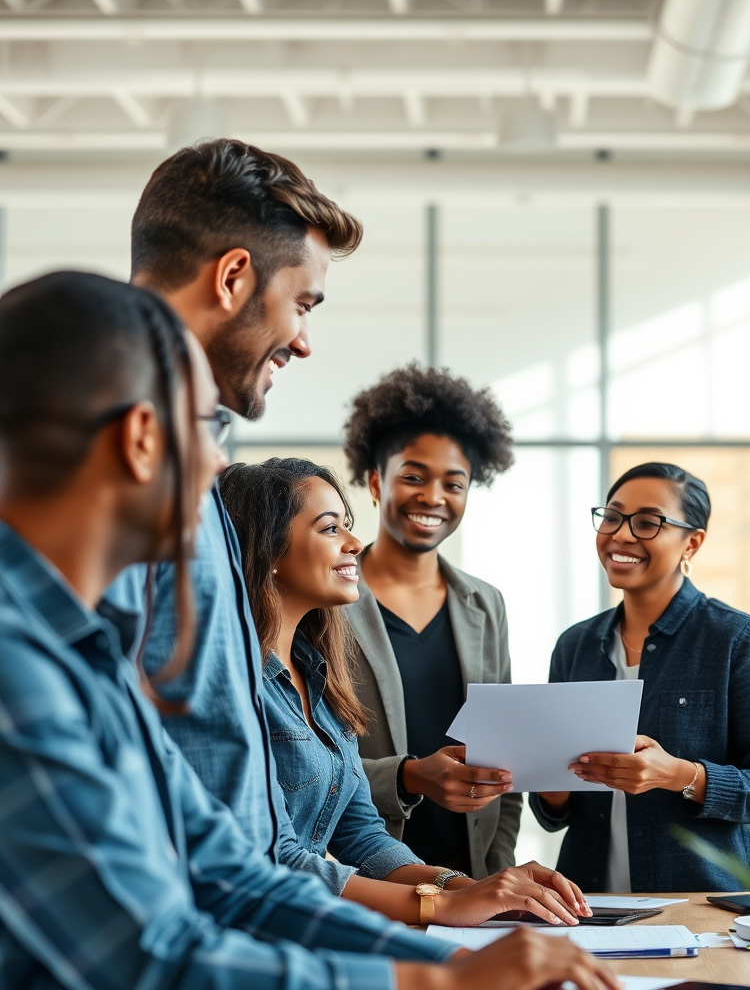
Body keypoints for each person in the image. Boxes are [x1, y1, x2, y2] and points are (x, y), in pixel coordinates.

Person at [0, 271, 620, 990]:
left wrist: (453, 956)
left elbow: (235, 876)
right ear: (143, 438)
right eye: (210, 426)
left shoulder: (94, 656)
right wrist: (440, 979)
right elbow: (150, 957)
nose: (219, 464)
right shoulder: (22, 667)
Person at [105, 138, 373, 893]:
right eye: (302, 304)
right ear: (232, 277)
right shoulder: (122, 477)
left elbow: (232, 841)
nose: (305, 342)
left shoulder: (201, 474)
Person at [219, 456, 590, 926]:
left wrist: (480, 888)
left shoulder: (321, 678)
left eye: (347, 526)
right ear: (266, 548)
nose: (355, 543)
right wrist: (447, 905)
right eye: (331, 528)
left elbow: (363, 837)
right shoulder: (234, 684)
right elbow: (278, 858)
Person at [530, 462, 750, 893]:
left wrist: (678, 774)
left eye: (647, 523)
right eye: (613, 517)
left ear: (692, 543)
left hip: (704, 907)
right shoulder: (574, 645)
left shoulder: (738, 640)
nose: (621, 534)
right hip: (589, 905)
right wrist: (543, 774)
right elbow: (554, 811)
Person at [342, 364, 520, 879]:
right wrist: (409, 778)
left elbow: (505, 752)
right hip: (368, 877)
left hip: (474, 879)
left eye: (454, 483)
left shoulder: (486, 604)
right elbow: (305, 761)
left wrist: (496, 872)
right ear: (376, 482)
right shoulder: (327, 604)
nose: (433, 497)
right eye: (413, 476)